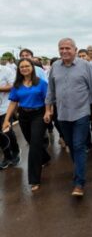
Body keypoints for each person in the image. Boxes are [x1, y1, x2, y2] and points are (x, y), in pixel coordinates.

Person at [44, 38, 92, 197]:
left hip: (81, 113)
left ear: (75, 50)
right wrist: (48, 110)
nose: (64, 51)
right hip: (62, 115)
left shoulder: (85, 66)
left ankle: (79, 183)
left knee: (78, 146)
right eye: (61, 48)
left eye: (67, 48)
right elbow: (50, 91)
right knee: (72, 147)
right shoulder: (55, 66)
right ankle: (79, 170)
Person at [2, 58, 50, 191]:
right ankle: (45, 157)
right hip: (24, 116)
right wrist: (7, 119)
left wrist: (47, 112)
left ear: (32, 67)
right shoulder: (17, 85)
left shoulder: (41, 83)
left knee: (34, 145)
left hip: (39, 114)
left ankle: (34, 179)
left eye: (27, 66)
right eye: (21, 67)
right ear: (19, 69)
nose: (24, 68)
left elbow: (48, 99)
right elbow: (13, 102)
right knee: (31, 140)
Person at [0, 65, 20, 170]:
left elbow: (14, 86)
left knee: (6, 132)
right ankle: (7, 157)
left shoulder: (6, 70)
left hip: (5, 108)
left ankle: (15, 151)